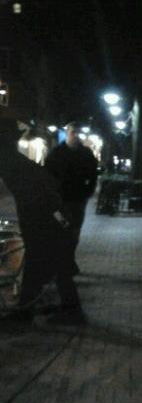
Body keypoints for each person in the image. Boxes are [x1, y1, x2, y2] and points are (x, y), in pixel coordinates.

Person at [0, 118, 83, 322]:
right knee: (47, 262)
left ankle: (65, 311)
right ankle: (42, 308)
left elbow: (36, 191)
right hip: (48, 214)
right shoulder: (15, 160)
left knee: (43, 261)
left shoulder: (9, 160)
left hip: (42, 217)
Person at [44, 123, 98, 276]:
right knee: (61, 230)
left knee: (74, 231)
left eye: (78, 133)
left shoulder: (86, 153)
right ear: (67, 133)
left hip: (78, 199)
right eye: (73, 132)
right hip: (60, 201)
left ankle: (68, 260)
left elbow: (93, 175)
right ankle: (63, 263)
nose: (75, 136)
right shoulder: (56, 153)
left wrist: (88, 191)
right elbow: (47, 175)